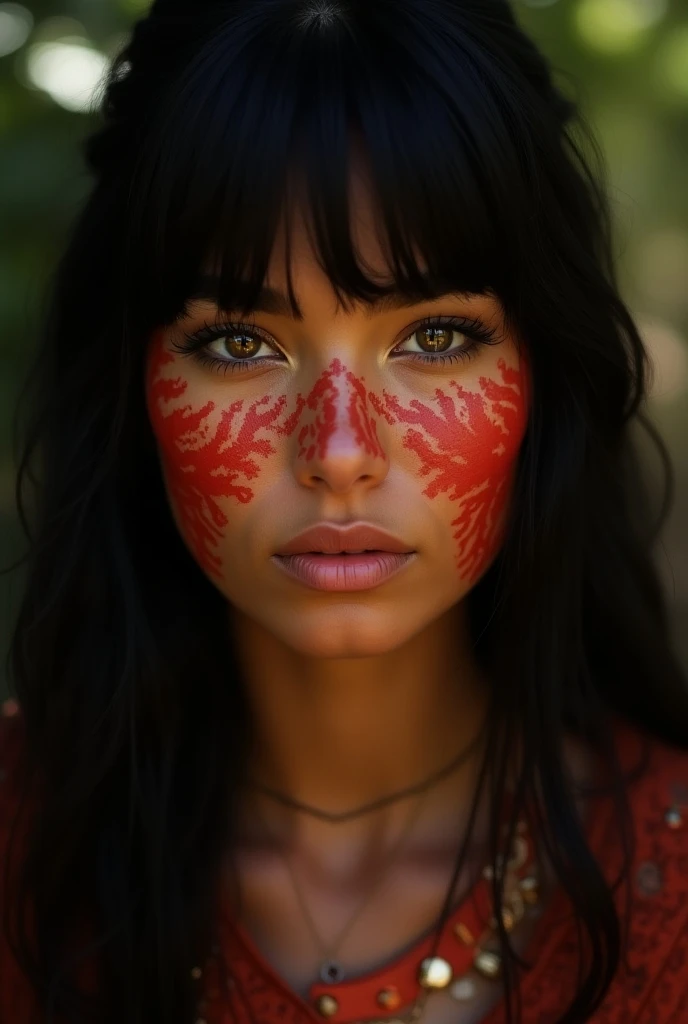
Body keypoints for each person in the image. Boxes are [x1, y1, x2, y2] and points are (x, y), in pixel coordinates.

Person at [1, 0, 687, 1022]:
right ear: (132, 388)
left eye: (438, 335)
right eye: (239, 343)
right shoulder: (21, 840)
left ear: (544, 375)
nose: (337, 453)